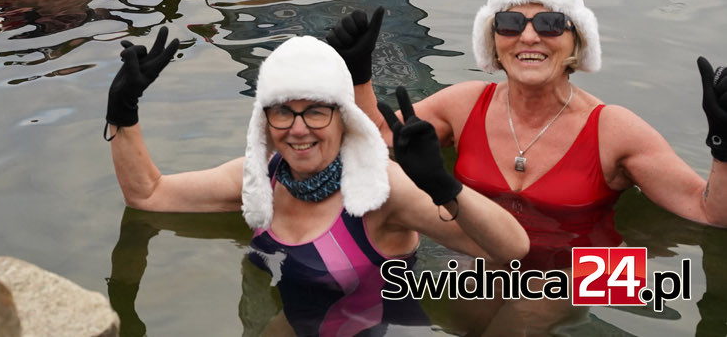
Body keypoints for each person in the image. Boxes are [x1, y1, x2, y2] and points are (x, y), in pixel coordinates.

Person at [104, 29, 529, 334]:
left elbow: (511, 249)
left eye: (316, 111)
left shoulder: (380, 189)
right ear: (264, 121)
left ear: (343, 119)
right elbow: (148, 195)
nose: (299, 129)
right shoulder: (259, 178)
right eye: (283, 111)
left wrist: (442, 185)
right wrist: (123, 112)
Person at [332, 0, 727, 272]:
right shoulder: (464, 104)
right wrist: (358, 75)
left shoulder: (614, 129)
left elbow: (709, 213)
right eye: (510, 23)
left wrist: (723, 146)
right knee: (464, 313)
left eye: (551, 23)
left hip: (585, 272)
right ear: (493, 41)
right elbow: (377, 144)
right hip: (484, 258)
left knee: (532, 308)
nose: (529, 36)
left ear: (576, 40)